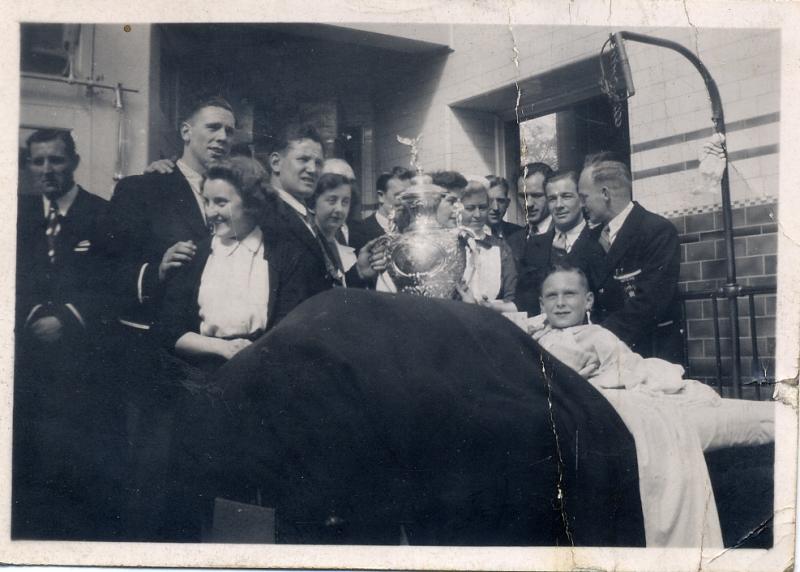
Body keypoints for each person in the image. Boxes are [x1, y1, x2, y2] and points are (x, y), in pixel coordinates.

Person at [529, 264, 775, 547]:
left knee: (735, 414)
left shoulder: (598, 336)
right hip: (597, 402)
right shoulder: (535, 338)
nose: (560, 303)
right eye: (552, 296)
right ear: (541, 303)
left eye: (569, 294)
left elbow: (631, 370)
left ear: (588, 301)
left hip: (637, 391)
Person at [102, 96, 236, 539]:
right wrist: (154, 270)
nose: (221, 139)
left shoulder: (232, 193)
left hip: (212, 361)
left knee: (199, 488)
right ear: (185, 131)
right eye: (212, 128)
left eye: (228, 132)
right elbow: (105, 268)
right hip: (156, 363)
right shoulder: (144, 187)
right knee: (151, 483)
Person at [13, 129, 124, 539]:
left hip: (86, 368)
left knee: (82, 477)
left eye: (56, 160)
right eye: (38, 161)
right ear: (28, 166)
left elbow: (118, 286)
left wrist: (67, 318)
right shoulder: (16, 214)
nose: (47, 170)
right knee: (31, 472)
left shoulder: (104, 214)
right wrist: (31, 318)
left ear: (74, 163)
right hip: (29, 367)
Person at [577, 152, 683, 361]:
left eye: (584, 197)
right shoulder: (590, 237)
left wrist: (596, 338)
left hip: (650, 355)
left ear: (605, 194)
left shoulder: (657, 231)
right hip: (605, 355)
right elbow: (568, 274)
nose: (581, 205)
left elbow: (649, 304)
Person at [513, 170, 604, 315]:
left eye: (566, 196)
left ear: (581, 200)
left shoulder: (599, 241)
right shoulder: (535, 245)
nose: (558, 205)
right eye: (552, 199)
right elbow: (524, 301)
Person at [454, 181, 518, 313]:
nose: (477, 215)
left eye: (482, 207)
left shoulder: (500, 246)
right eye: (470, 208)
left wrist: (491, 307)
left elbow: (512, 296)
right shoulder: (452, 245)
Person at [309, 173, 359, 286]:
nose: (339, 209)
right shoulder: (307, 246)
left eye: (345, 202)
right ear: (313, 202)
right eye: (332, 200)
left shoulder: (343, 249)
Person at [349, 166, 412, 251]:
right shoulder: (360, 232)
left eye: (408, 196)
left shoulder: (412, 228)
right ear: (381, 196)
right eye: (398, 196)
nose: (404, 202)